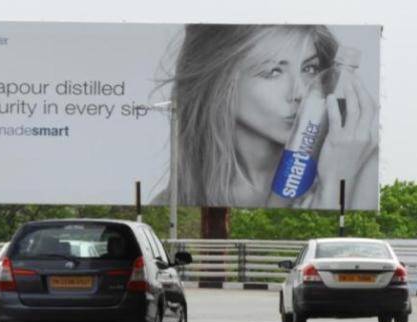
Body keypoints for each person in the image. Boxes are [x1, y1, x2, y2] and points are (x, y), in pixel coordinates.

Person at [155, 24, 378, 208]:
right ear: (218, 86)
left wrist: (338, 179)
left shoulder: (363, 167)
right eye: (273, 72)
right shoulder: (174, 202)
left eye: (309, 68)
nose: (301, 93)